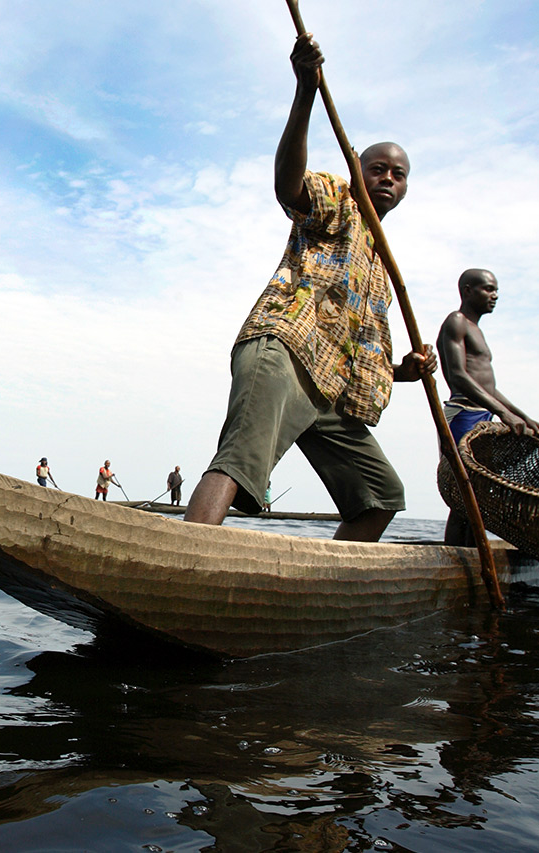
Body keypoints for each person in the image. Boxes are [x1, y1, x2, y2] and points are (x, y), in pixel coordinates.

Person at [183, 32, 436, 541]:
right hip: (284, 351)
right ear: (357, 172)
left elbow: (351, 355)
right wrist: (305, 93)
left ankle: (327, 585)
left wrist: (403, 373)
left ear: (406, 187)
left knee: (381, 493)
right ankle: (183, 560)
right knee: (240, 460)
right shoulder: (339, 201)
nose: (387, 178)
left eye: (399, 174)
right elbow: (288, 185)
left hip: (329, 393)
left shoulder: (379, 265)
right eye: (377, 169)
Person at [436, 269, 539, 544]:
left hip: (481, 412)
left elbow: (489, 389)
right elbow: (459, 376)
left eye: (496, 290)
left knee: (480, 492)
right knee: (464, 489)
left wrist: (522, 416)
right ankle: (455, 558)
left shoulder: (477, 330)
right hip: (463, 414)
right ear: (467, 290)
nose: (494, 296)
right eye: (488, 289)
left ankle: (472, 555)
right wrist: (502, 413)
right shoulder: (456, 321)